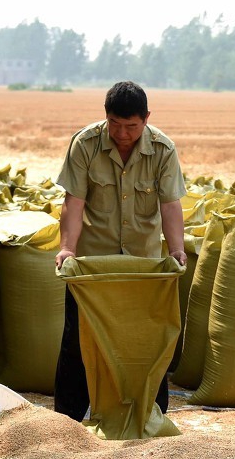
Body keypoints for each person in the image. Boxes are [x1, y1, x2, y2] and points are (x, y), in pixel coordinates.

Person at [52, 81, 187, 421]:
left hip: (141, 265)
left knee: (147, 341)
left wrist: (176, 250)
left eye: (131, 126)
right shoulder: (84, 144)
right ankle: (66, 420)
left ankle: (151, 415)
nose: (123, 134)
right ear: (105, 117)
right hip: (93, 265)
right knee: (78, 340)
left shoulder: (162, 149)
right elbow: (74, 202)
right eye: (115, 124)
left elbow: (170, 205)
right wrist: (67, 249)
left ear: (146, 120)